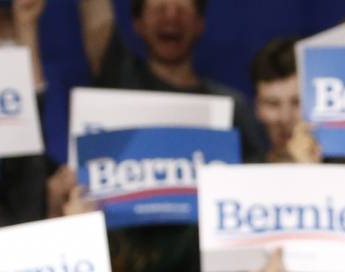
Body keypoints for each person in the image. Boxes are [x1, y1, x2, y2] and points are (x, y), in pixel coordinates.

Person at [78, 0, 265, 159]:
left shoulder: (231, 107)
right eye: (159, 9)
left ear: (200, 24)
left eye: (182, 10)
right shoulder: (118, 76)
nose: (171, 18)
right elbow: (97, 22)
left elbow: (255, 176)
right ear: (138, 24)